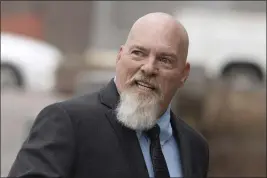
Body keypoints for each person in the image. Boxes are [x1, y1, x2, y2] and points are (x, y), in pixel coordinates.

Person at [8, 12, 209, 178]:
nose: (148, 68)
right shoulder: (67, 122)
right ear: (120, 56)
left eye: (164, 59)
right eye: (138, 53)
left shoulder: (195, 147)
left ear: (184, 74)